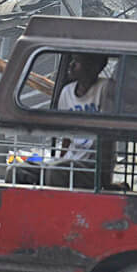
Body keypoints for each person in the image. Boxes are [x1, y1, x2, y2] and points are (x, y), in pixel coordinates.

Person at [44, 54, 117, 189]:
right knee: (19, 170)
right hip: (71, 161)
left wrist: (106, 180)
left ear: (94, 68)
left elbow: (107, 136)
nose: (71, 65)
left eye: (77, 62)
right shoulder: (66, 92)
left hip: (91, 166)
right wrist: (60, 159)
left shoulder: (105, 88)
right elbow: (67, 137)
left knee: (56, 171)